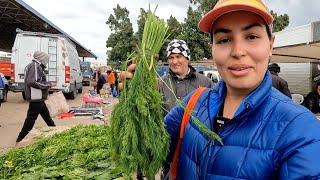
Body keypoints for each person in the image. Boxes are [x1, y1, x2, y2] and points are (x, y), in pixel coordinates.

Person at [162, 0, 320, 179]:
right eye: (224, 40)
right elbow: (149, 148)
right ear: (212, 49)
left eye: (251, 36)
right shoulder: (193, 102)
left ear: (270, 44)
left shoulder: (301, 130)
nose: (238, 51)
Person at [121, 39, 214, 179]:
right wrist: (130, 87)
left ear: (187, 58)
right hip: (168, 146)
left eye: (178, 56)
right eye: (171, 57)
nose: (174, 61)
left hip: (198, 146)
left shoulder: (205, 82)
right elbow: (145, 107)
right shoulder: (160, 82)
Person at [16, 51, 56, 143]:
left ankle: (54, 129)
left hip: (39, 97)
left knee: (46, 116)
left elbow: (36, 81)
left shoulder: (36, 66)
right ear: (41, 59)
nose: (47, 61)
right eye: (46, 59)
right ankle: (21, 138)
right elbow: (33, 82)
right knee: (31, 118)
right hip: (36, 97)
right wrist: (48, 85)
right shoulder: (35, 66)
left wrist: (47, 86)